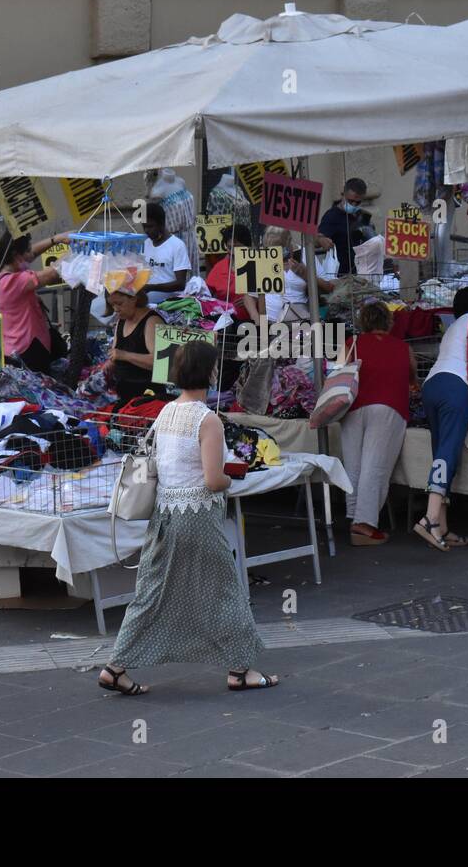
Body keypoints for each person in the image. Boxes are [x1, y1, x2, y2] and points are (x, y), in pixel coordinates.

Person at [98, 341, 278, 696]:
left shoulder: (166, 412)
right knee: (225, 591)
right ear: (210, 373)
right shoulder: (206, 419)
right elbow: (213, 479)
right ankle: (240, 670)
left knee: (150, 592)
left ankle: (115, 667)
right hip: (197, 516)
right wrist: (232, 478)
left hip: (164, 515)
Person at [414, 286, 468, 552]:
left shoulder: (452, 327)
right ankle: (430, 518)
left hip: (432, 385)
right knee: (448, 452)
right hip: (455, 387)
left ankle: (441, 527)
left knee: (441, 453)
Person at [340, 300, 416, 546]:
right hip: (389, 407)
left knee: (353, 465)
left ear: (364, 322)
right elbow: (413, 377)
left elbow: (339, 373)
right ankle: (363, 524)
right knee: (375, 466)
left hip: (352, 407)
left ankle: (353, 515)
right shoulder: (403, 348)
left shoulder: (351, 344)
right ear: (389, 322)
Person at [0, 230, 71, 374]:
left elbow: (31, 253)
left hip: (13, 347)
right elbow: (52, 274)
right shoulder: (13, 281)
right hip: (29, 350)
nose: (30, 254)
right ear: (15, 255)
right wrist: (80, 251)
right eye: (27, 250)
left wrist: (56, 239)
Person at [108, 288, 166, 401]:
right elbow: (116, 353)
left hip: (147, 396)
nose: (116, 309)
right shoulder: (122, 320)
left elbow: (160, 363)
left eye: (119, 303)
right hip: (124, 393)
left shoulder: (152, 321)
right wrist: (110, 363)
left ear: (134, 299)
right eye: (112, 304)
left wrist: (124, 355)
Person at [205, 224, 263, 322]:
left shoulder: (259, 265)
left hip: (256, 324)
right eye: (229, 247)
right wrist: (222, 304)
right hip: (226, 326)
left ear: (248, 247)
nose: (233, 252)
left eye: (237, 248)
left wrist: (257, 300)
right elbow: (206, 296)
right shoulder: (219, 267)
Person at [317, 177, 372, 275]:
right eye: (350, 201)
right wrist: (321, 239)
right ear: (343, 195)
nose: (354, 205)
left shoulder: (362, 216)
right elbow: (316, 238)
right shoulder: (332, 216)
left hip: (362, 272)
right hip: (341, 275)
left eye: (358, 202)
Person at [141, 201, 192, 305]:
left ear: (161, 224)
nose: (146, 230)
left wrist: (151, 288)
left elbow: (180, 284)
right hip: (146, 297)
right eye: (144, 226)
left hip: (169, 301)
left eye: (150, 226)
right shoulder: (146, 243)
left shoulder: (177, 245)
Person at [262, 228, 312, 323]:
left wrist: (305, 274)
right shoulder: (263, 257)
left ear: (289, 242)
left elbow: (325, 287)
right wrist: (257, 318)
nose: (275, 253)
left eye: (279, 247)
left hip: (298, 318)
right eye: (271, 249)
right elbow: (251, 294)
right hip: (270, 319)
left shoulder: (305, 255)